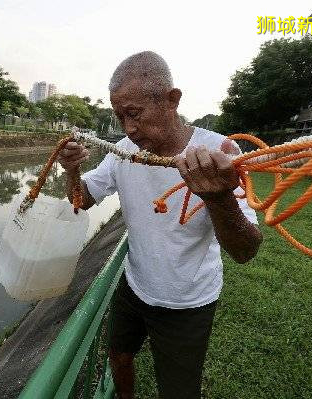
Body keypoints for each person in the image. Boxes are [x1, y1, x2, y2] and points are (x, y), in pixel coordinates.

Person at [57, 51, 263, 399]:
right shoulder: (123, 150)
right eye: (120, 117)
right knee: (119, 355)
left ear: (172, 101)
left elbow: (245, 250)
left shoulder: (220, 153)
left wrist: (218, 196)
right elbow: (80, 201)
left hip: (188, 301)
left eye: (134, 114)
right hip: (135, 285)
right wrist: (72, 170)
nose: (129, 128)